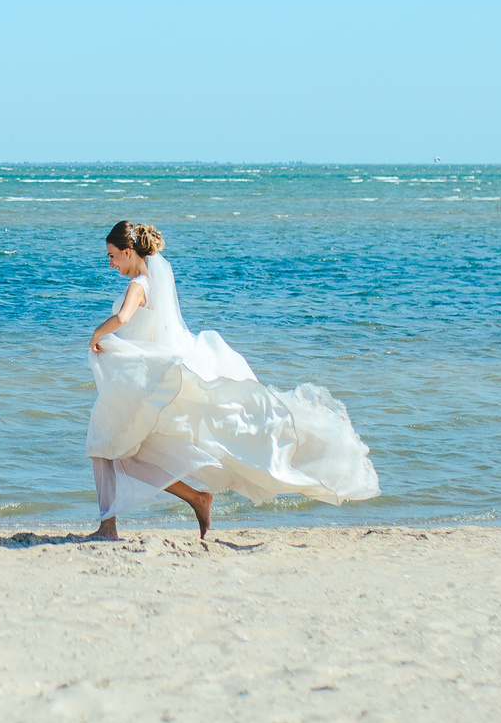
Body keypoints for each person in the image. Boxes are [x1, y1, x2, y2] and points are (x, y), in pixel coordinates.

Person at [86, 219, 379, 540]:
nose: (111, 263)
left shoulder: (139, 285)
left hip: (142, 385)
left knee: (104, 448)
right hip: (144, 383)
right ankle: (193, 499)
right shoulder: (153, 282)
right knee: (123, 455)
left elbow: (124, 318)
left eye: (112, 256)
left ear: (128, 252)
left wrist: (97, 334)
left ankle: (110, 528)